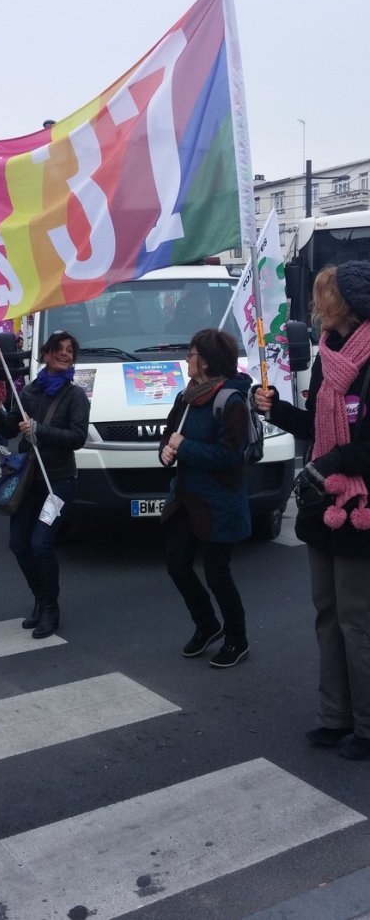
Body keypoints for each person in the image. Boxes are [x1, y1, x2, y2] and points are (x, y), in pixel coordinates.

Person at [254, 262, 370, 760]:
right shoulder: (327, 356)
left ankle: (367, 726)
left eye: (323, 296)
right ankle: (334, 716)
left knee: (356, 620)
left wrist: (329, 464)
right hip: (323, 502)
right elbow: (315, 426)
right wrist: (275, 409)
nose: (315, 307)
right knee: (327, 612)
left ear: (346, 303)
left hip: (360, 504)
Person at [159, 329, 251, 668]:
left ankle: (237, 639)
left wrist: (184, 447)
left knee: (217, 574)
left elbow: (229, 456)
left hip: (218, 503)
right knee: (176, 564)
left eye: (191, 354)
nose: (187, 359)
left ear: (206, 362)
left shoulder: (231, 402)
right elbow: (169, 434)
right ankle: (207, 623)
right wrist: (165, 451)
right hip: (185, 498)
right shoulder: (186, 398)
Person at [0, 330, 90, 639]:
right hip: (29, 482)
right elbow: (9, 427)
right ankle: (39, 598)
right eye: (59, 348)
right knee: (18, 544)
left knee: (41, 544)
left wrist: (38, 430)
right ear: (45, 354)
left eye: (70, 350)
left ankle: (50, 607)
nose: (65, 354)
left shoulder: (75, 396)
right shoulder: (30, 392)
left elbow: (77, 437)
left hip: (58, 484)